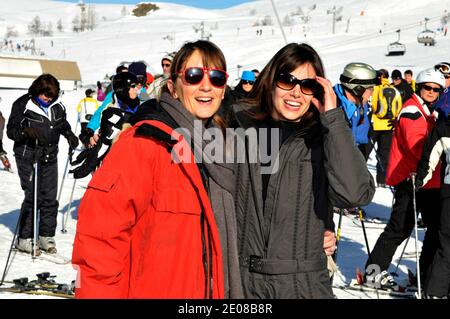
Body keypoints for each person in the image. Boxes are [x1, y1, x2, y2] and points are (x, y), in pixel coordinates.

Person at [72, 40, 243, 298]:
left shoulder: (225, 150)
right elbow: (99, 244)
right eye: (194, 76)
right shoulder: (144, 144)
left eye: (217, 77)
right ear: (173, 87)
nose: (206, 85)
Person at [231, 43, 375, 299]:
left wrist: (332, 116)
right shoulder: (237, 127)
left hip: (302, 285)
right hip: (240, 284)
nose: (296, 93)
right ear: (270, 81)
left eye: (307, 85)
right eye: (287, 81)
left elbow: (355, 194)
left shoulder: (323, 137)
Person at [364, 68, 445, 290]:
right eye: (427, 87)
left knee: (435, 228)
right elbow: (418, 146)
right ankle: (373, 272)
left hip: (426, 181)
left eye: (436, 89)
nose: (431, 92)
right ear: (419, 87)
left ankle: (426, 274)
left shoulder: (428, 110)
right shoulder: (412, 111)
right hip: (410, 180)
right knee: (399, 228)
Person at [6, 74, 78, 254]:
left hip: (49, 155)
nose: (48, 99)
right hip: (28, 155)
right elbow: (11, 131)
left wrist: (69, 134)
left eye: (52, 96)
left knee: (49, 196)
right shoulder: (22, 104)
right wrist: (25, 132)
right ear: (37, 91)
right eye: (45, 96)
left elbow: (61, 124)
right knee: (33, 195)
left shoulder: (57, 105)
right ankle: (25, 238)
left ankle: (46, 235)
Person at [71, 72, 142, 179]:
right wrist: (90, 130)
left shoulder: (139, 102)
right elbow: (99, 113)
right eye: (133, 86)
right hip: (109, 149)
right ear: (123, 88)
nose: (137, 89)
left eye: (138, 85)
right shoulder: (112, 99)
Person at [415, 113, 450, 298]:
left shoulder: (444, 127)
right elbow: (429, 158)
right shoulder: (445, 128)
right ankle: (436, 291)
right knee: (447, 244)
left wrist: (420, 178)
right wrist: (419, 180)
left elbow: (429, 158)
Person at [334, 62, 377, 160]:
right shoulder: (332, 106)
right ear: (358, 89)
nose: (372, 94)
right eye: (371, 89)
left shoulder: (359, 105)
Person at [369, 68, 402, 187]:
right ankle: (382, 181)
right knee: (384, 155)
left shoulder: (373, 89)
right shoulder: (395, 90)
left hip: (373, 126)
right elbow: (399, 108)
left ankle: (361, 180)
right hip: (389, 127)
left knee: (363, 154)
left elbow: (370, 105)